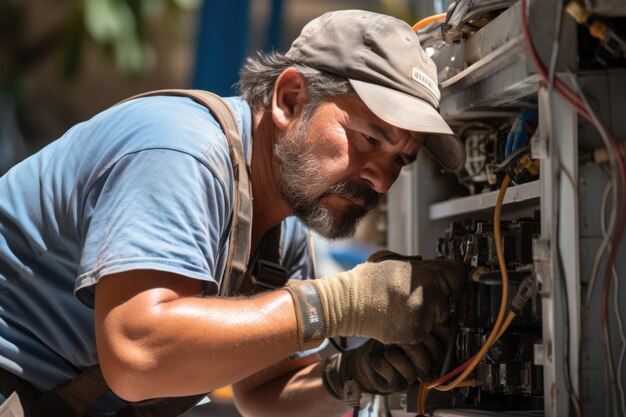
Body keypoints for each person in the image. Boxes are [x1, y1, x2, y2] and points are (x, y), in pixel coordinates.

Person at [0, 9, 469, 417]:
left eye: (399, 161)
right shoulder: (182, 152)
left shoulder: (280, 232)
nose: (381, 180)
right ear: (291, 99)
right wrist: (337, 306)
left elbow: (262, 394)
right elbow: (136, 354)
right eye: (370, 139)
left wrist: (351, 376)